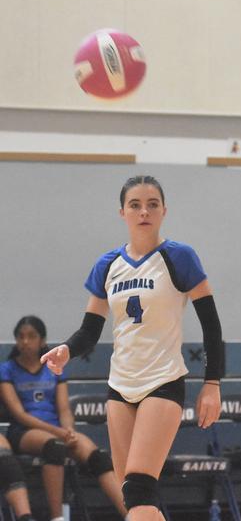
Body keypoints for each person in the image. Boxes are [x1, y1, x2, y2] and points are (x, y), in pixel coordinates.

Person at [40, 175, 225, 521]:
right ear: (122, 212)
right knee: (135, 497)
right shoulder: (107, 264)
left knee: (139, 486)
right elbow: (90, 330)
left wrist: (212, 383)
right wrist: (67, 349)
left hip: (163, 381)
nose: (144, 211)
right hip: (120, 386)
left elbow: (211, 325)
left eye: (152, 204)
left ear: (164, 211)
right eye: (135, 205)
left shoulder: (179, 257)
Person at [0, 315, 127, 521]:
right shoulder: (6, 370)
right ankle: (58, 517)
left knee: (98, 457)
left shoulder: (53, 368)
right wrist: (59, 433)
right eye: (21, 337)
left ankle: (131, 515)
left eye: (31, 336)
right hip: (24, 432)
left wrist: (69, 430)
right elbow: (19, 415)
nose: (25, 341)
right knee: (55, 446)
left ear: (42, 340)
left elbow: (64, 409)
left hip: (58, 429)